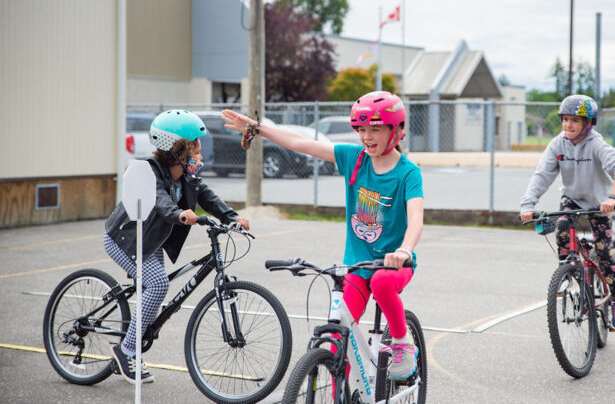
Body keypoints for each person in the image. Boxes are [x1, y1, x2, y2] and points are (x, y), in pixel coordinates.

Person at [222, 91, 424, 379]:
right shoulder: (354, 158)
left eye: (375, 129)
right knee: (336, 341)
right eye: (362, 129)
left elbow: (416, 217)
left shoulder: (408, 173)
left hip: (393, 266)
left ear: (398, 130)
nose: (367, 137)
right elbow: (302, 143)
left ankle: (403, 344)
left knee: (380, 283)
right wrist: (257, 128)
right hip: (355, 265)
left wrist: (404, 250)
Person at [104, 110, 249, 384]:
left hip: (150, 242)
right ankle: (126, 351)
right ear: (180, 148)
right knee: (158, 285)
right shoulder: (151, 171)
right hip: (124, 239)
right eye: (196, 145)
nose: (200, 151)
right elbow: (158, 199)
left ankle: (135, 335)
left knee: (154, 285)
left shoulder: (186, 176)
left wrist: (232, 218)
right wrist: (179, 214)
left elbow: (207, 196)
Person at [520, 94, 615, 330]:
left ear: (588, 123)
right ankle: (567, 273)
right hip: (572, 199)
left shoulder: (597, 144)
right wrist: (528, 204)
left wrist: (613, 197)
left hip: (599, 203)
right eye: (565, 119)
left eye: (575, 121)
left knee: (604, 252)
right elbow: (542, 175)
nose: (568, 125)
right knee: (561, 230)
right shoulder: (558, 144)